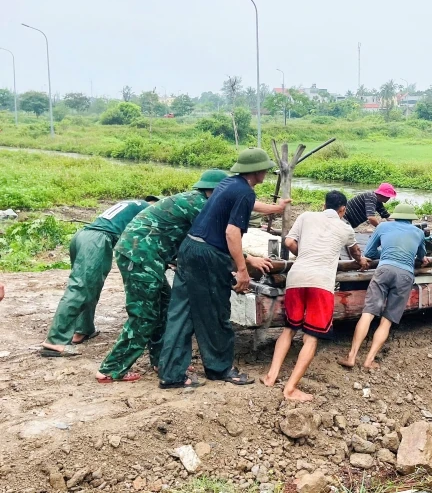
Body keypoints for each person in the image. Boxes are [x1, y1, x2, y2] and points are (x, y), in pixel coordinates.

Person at [95, 170, 292, 383]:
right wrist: (246, 262)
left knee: (166, 308)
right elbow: (215, 238)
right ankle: (111, 369)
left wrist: (276, 208)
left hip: (146, 253)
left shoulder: (199, 198)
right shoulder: (200, 206)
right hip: (141, 255)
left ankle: (163, 362)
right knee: (145, 315)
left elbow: (244, 205)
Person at [157, 149, 275, 389]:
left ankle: (172, 374)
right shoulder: (244, 191)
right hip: (209, 255)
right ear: (257, 171)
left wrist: (275, 208)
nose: (266, 172)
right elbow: (232, 233)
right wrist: (242, 270)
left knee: (181, 312)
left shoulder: (228, 184)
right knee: (216, 314)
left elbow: (249, 203)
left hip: (189, 248)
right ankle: (220, 368)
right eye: (265, 169)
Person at [261, 191, 364, 401]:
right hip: (321, 283)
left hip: (296, 277)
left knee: (289, 329)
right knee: (311, 337)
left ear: (323, 204)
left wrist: (306, 253)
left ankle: (271, 376)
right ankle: (290, 389)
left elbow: (289, 243)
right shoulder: (346, 228)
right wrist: (361, 261)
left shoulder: (306, 216)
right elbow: (355, 253)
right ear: (343, 210)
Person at [40, 196, 159, 357]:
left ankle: (83, 329)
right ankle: (55, 341)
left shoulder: (130, 204)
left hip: (83, 236)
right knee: (80, 288)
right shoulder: (147, 209)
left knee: (90, 285)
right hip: (98, 240)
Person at [338, 203, 428, 370]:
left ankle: (351, 356)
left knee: (368, 313)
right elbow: (422, 256)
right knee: (386, 321)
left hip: (384, 270)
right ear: (411, 219)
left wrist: (386, 251)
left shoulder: (383, 226)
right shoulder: (419, 232)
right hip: (405, 275)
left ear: (395, 216)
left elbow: (370, 253)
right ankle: (369, 360)